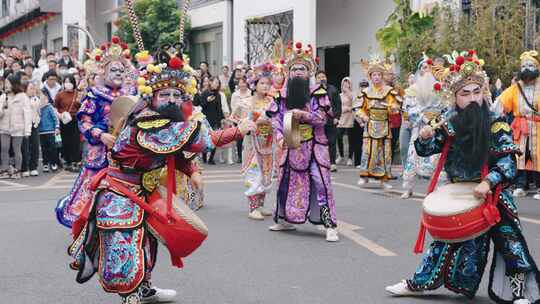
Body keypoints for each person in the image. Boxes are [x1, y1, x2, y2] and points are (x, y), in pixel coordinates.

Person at [67, 43, 255, 304]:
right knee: (126, 248)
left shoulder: (164, 122)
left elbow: (175, 152)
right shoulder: (148, 122)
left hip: (142, 191)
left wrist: (191, 170)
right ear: (151, 97)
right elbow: (201, 140)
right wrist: (239, 130)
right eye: (164, 94)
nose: (172, 100)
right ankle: (131, 296)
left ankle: (144, 289)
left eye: (177, 95)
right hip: (121, 193)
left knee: (147, 242)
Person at [386, 50, 540, 304]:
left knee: (511, 244)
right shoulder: (448, 121)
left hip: (494, 194)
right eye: (464, 93)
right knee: (442, 241)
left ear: (484, 92)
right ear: (455, 97)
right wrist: (424, 137)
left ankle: (520, 293)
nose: (471, 98)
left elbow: (508, 163)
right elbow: (427, 149)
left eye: (476, 92)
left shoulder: (495, 122)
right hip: (460, 193)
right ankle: (418, 283)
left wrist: (488, 181)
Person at [55, 36, 136, 229]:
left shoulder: (131, 93)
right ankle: (89, 222)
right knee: (94, 187)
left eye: (121, 70)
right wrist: (101, 135)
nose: (118, 73)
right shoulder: (95, 94)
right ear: (103, 72)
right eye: (113, 70)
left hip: (126, 150)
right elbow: (84, 121)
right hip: (101, 151)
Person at [266, 41, 339, 242]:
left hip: (316, 146)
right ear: (289, 72)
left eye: (302, 68)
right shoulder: (282, 94)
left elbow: (322, 119)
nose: (298, 72)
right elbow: (275, 118)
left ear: (309, 72)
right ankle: (284, 219)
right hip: (291, 145)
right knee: (284, 182)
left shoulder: (318, 93)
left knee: (321, 182)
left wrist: (302, 115)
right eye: (294, 68)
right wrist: (280, 136)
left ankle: (329, 225)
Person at [400, 56, 445, 199]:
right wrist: (423, 118)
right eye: (423, 67)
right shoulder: (413, 89)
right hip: (420, 127)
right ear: (420, 71)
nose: (426, 70)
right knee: (413, 157)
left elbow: (446, 106)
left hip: (437, 127)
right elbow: (408, 109)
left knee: (437, 157)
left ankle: (437, 188)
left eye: (429, 67)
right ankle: (408, 187)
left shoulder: (441, 87)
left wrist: (438, 120)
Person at [497, 51, 540, 199]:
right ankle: (520, 186)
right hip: (520, 127)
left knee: (537, 157)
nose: (527, 68)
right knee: (519, 157)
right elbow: (501, 102)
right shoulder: (515, 88)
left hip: (538, 127)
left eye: (531, 65)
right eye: (524, 66)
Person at [234, 67, 274, 220]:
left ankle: (261, 205)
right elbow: (236, 118)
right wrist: (249, 121)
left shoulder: (271, 101)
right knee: (254, 172)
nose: (266, 86)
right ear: (255, 84)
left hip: (268, 142)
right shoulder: (246, 102)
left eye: (268, 84)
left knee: (266, 173)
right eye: (262, 83)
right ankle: (253, 208)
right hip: (252, 142)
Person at [354, 56, 400, 188]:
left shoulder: (389, 92)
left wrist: (390, 107)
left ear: (382, 76)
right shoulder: (365, 92)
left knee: (385, 153)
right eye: (374, 74)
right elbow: (358, 108)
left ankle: (384, 180)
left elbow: (396, 108)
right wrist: (364, 117)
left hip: (384, 125)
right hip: (370, 125)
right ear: (370, 76)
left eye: (379, 74)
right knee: (367, 152)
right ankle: (364, 176)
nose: (377, 77)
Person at [0, 72, 31, 179]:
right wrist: (2, 108)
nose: (6, 85)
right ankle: (4, 169)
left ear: (14, 84)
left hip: (18, 127)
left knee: (17, 149)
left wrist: (27, 130)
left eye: (8, 83)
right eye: (5, 83)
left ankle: (17, 170)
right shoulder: (3, 97)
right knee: (4, 148)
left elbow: (27, 114)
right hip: (4, 127)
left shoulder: (22, 97)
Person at [315, 70, 342, 172]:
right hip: (318, 120)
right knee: (319, 142)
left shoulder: (333, 89)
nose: (322, 78)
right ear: (316, 79)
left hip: (331, 120)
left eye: (323, 76)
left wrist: (337, 117)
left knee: (331, 141)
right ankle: (320, 162)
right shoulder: (312, 90)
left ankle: (332, 163)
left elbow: (338, 104)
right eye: (319, 77)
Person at [54, 74, 82, 172]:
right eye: (66, 82)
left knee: (75, 141)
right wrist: (59, 115)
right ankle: (68, 161)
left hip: (75, 119)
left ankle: (76, 161)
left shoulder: (77, 94)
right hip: (64, 120)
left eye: (69, 82)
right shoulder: (60, 94)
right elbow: (55, 107)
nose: (68, 84)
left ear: (73, 83)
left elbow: (82, 106)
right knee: (66, 141)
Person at [199, 76, 225, 165]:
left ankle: (211, 158)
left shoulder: (218, 95)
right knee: (205, 138)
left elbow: (219, 108)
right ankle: (204, 156)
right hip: (206, 119)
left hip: (215, 120)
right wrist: (207, 101)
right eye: (215, 82)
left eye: (218, 83)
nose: (217, 85)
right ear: (210, 82)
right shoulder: (204, 93)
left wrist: (222, 120)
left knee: (215, 139)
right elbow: (200, 106)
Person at [230, 77, 252, 163]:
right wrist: (236, 119)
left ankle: (249, 156)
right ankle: (240, 156)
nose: (243, 85)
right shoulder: (235, 95)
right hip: (238, 120)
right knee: (240, 139)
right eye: (241, 83)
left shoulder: (250, 93)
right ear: (238, 84)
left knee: (249, 138)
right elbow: (233, 107)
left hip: (248, 119)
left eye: (244, 83)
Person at [21, 82, 41, 177]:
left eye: (34, 88)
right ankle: (25, 167)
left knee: (35, 146)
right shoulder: (22, 99)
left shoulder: (36, 99)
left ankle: (33, 167)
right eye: (30, 88)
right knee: (25, 147)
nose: (33, 90)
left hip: (34, 124)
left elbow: (38, 111)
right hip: (24, 125)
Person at [336, 77, 354, 166]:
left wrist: (348, 93)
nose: (345, 86)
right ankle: (341, 155)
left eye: (347, 84)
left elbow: (355, 104)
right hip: (341, 118)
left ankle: (350, 158)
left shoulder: (352, 95)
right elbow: (337, 106)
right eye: (344, 84)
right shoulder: (339, 95)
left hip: (350, 118)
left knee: (351, 139)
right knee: (339, 136)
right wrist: (345, 109)